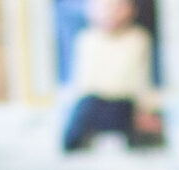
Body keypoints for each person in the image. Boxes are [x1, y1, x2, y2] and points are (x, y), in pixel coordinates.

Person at [61, 0, 164, 152]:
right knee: (77, 123)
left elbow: (142, 81)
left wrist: (146, 109)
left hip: (125, 103)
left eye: (118, 7)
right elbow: (82, 83)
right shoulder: (86, 40)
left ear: (131, 9)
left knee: (152, 131)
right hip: (95, 103)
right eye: (105, 7)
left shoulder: (138, 39)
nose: (111, 13)